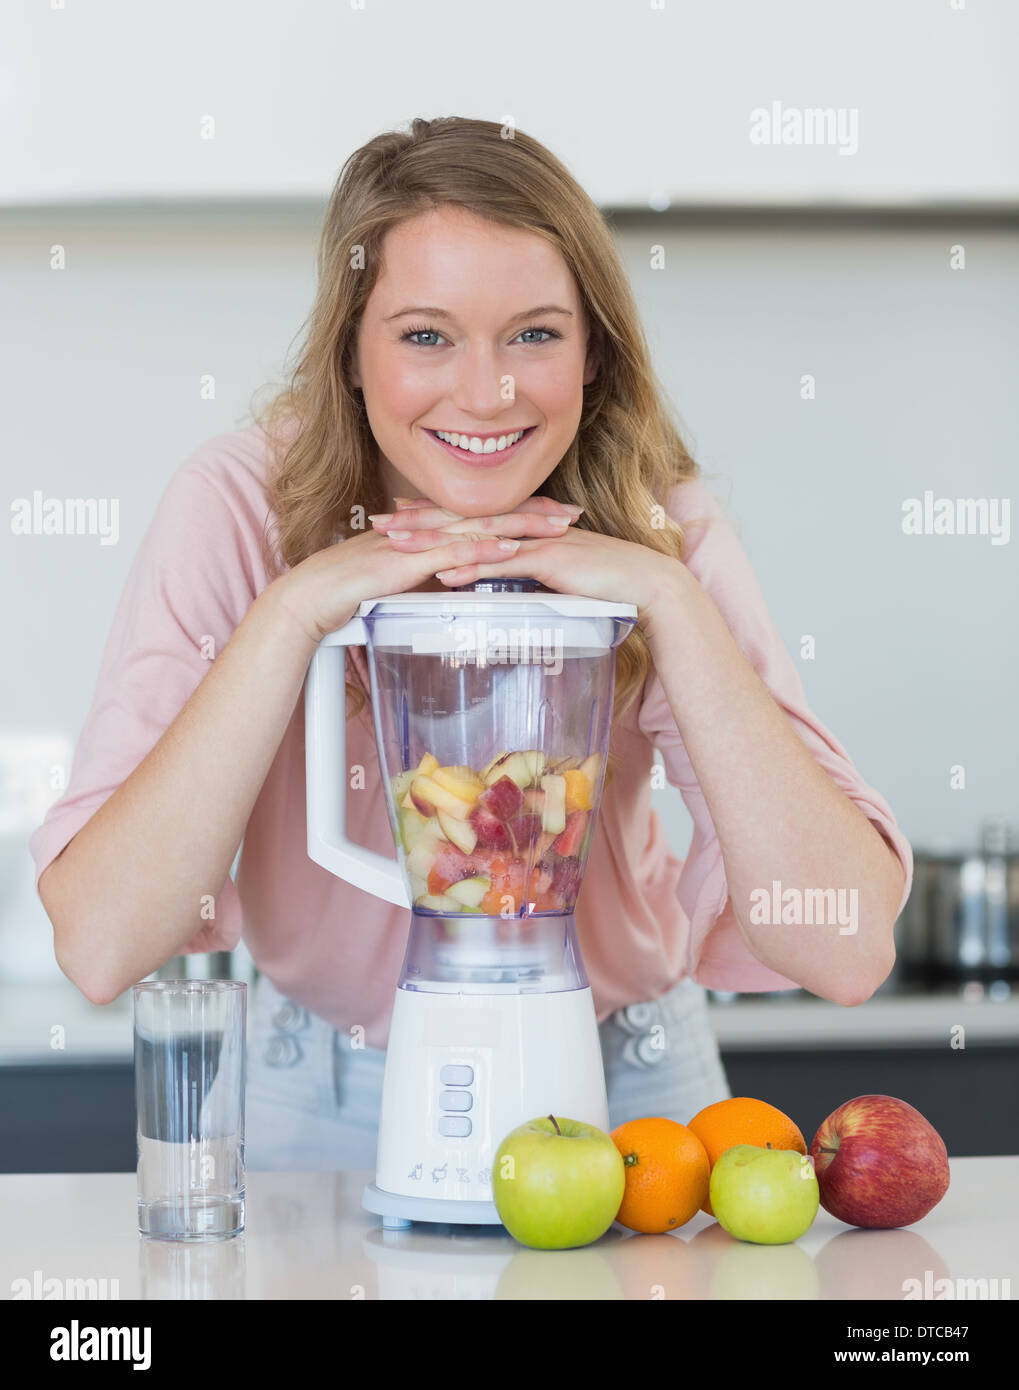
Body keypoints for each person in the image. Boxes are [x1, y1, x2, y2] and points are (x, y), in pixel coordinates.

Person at [31, 116, 911, 1171]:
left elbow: (845, 947)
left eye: (535, 333)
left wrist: (668, 603)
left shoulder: (654, 526)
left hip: (626, 1083)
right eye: (424, 335)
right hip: (319, 1089)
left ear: (593, 356)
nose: (486, 392)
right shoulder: (238, 508)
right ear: (349, 356)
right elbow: (99, 943)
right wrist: (292, 615)